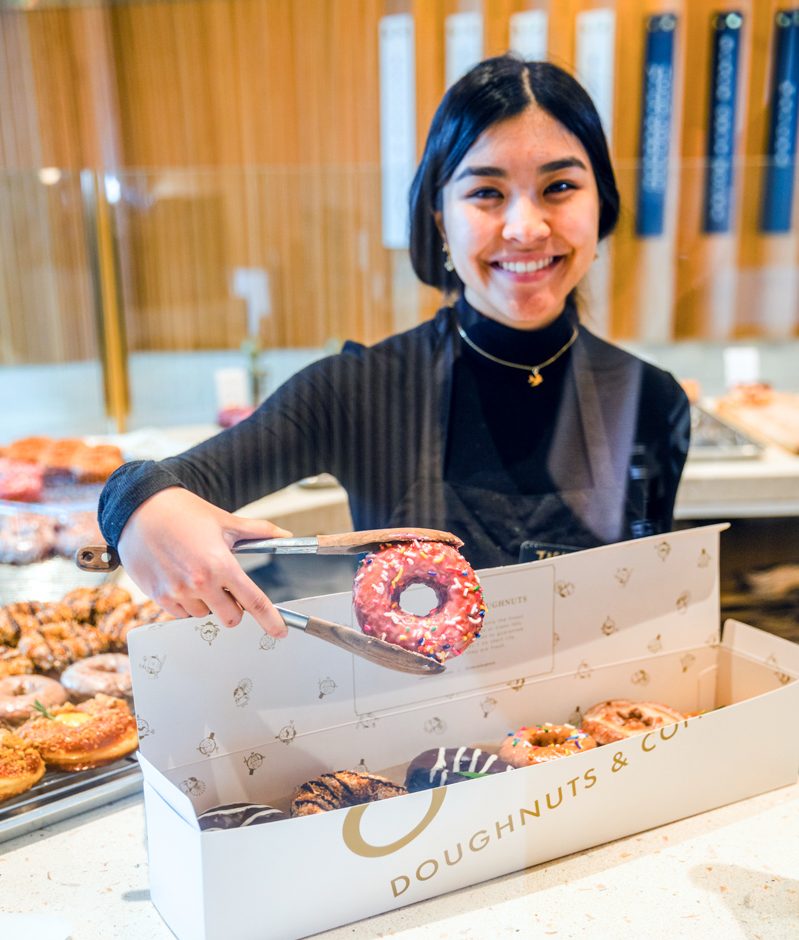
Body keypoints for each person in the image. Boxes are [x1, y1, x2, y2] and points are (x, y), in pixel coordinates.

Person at [98, 55, 690, 639]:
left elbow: (651, 615)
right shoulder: (361, 390)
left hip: (603, 727)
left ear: (601, 204)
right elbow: (155, 484)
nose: (526, 227)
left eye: (559, 186)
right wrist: (142, 511)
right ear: (440, 219)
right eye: (486, 192)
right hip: (413, 732)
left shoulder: (651, 400)